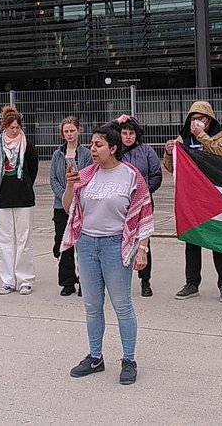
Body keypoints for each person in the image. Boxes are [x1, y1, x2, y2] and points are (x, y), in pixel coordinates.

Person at [61, 126, 154, 386]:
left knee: (122, 305)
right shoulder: (86, 175)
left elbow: (144, 214)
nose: (92, 149)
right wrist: (70, 185)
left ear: (113, 148)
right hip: (87, 245)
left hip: (115, 245)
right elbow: (69, 208)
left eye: (99, 145)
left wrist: (142, 249)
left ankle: (129, 360)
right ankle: (95, 357)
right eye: (92, 144)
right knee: (92, 306)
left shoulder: (131, 176)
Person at [163, 101, 222, 303]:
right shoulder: (183, 138)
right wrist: (168, 153)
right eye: (193, 118)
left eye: (200, 118)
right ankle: (192, 283)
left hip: (214, 196)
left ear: (209, 119)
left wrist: (202, 136)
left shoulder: (220, 136)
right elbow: (171, 167)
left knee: (219, 243)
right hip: (191, 198)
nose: (196, 122)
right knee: (192, 242)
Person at [0, 105, 40, 295]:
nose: (15, 130)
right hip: (2, 197)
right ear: (4, 127)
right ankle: (8, 280)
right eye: (11, 128)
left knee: (24, 240)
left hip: (23, 197)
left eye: (18, 127)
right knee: (5, 239)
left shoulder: (27, 146)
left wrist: (25, 185)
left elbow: (33, 169)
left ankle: (25, 279)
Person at [113, 115, 163, 297]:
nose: (128, 137)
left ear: (137, 135)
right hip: (120, 202)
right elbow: (101, 133)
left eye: (131, 133)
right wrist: (115, 122)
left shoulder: (147, 151)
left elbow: (156, 174)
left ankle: (145, 280)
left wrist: (144, 191)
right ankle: (119, 279)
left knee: (143, 240)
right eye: (124, 133)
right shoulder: (115, 151)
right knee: (118, 240)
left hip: (143, 202)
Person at [51, 116, 92, 297]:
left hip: (81, 204)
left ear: (78, 131)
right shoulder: (57, 155)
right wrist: (64, 196)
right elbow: (53, 179)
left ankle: (85, 281)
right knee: (63, 243)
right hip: (61, 206)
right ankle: (67, 281)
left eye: (72, 131)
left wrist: (76, 194)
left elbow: (89, 175)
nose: (69, 134)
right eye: (66, 131)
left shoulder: (86, 154)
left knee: (82, 245)